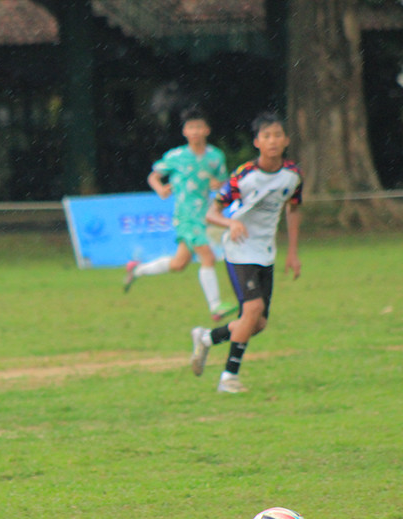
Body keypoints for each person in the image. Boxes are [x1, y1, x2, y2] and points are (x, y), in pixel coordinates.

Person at [190, 112, 302, 393]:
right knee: (253, 309)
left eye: (277, 135)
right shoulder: (244, 175)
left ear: (286, 140)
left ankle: (206, 338)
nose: (273, 141)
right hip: (239, 248)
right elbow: (211, 212)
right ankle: (228, 378)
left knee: (258, 323)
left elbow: (294, 208)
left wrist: (293, 252)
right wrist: (231, 222)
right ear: (257, 142)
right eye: (266, 136)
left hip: (266, 252)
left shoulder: (292, 176)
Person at [124, 106, 235, 322]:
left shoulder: (215, 156)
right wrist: (161, 189)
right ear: (184, 132)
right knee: (208, 256)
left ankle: (137, 270)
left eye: (198, 127)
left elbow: (223, 182)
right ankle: (215, 307)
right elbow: (153, 176)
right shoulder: (176, 156)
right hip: (185, 215)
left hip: (205, 215)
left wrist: (217, 184)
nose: (194, 131)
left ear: (207, 130)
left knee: (179, 264)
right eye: (190, 127)